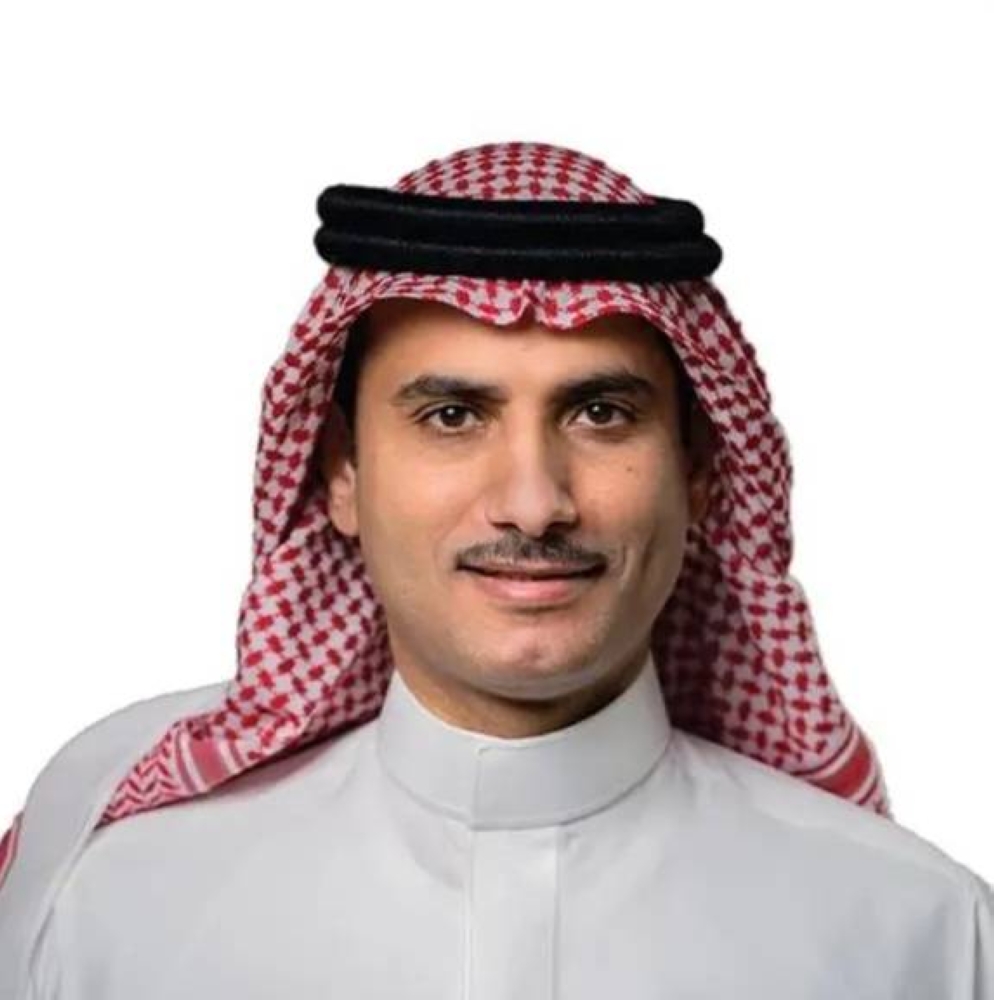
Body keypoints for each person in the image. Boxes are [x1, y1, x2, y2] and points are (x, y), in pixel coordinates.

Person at [0, 141, 990, 998]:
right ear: (340, 472)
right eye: (452, 416)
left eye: (600, 413)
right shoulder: (120, 916)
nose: (532, 501)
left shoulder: (921, 933)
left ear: (696, 474)